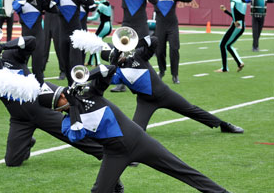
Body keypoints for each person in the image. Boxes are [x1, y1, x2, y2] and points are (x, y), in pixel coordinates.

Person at [38, 64, 252, 193]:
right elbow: (77, 135)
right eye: (60, 100)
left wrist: (85, 77)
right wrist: (74, 107)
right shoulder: (67, 123)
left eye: (63, 93)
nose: (65, 97)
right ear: (57, 109)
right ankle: (114, 183)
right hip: (114, 154)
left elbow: (109, 69)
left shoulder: (90, 94)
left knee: (179, 167)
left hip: (139, 141)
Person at [0, 35, 103, 167]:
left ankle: (105, 152)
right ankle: (27, 142)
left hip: (39, 107)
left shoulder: (9, 56)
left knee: (69, 133)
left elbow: (31, 41)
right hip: (19, 119)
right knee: (12, 162)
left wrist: (3, 46)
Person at [101, 36, 244, 134]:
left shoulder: (137, 55)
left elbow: (155, 41)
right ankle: (134, 156)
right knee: (136, 131)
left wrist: (132, 44)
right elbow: (106, 79)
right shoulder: (117, 73)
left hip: (165, 94)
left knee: (191, 110)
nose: (121, 55)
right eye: (116, 55)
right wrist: (113, 63)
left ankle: (224, 125)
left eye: (119, 52)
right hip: (145, 102)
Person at [111, 0, 157, 92]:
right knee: (120, 52)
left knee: (142, 53)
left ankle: (145, 80)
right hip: (127, 23)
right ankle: (120, 83)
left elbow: (155, 0)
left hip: (141, 24)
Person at [50, 0, 97, 86]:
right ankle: (70, 85)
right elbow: (52, 0)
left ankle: (79, 84)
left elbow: (92, 6)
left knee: (75, 61)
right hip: (62, 34)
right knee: (65, 62)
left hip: (76, 34)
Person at [12, 0, 57, 84]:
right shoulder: (17, 2)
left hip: (39, 37)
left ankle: (40, 88)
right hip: (25, 39)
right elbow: (16, 7)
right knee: (21, 64)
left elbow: (54, 9)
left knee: (37, 66)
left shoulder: (39, 1)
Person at [153, 0, 192, 84]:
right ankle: (162, 71)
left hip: (172, 25)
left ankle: (175, 75)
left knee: (174, 48)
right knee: (159, 51)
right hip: (160, 25)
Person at [216, 0, 247, 73]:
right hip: (242, 25)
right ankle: (239, 63)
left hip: (236, 25)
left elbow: (233, 9)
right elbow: (238, 15)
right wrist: (225, 11)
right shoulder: (243, 1)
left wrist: (235, 21)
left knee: (222, 45)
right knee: (228, 45)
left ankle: (224, 68)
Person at [86, 0, 112, 67]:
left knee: (95, 43)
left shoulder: (101, 6)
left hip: (103, 26)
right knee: (94, 42)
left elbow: (94, 18)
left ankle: (98, 63)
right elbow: (100, 2)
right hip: (109, 26)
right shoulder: (107, 3)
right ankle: (90, 61)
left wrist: (85, 18)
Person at [42, 11, 66, 80]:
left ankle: (63, 71)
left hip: (57, 18)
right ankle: (41, 70)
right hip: (47, 17)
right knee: (44, 47)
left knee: (59, 48)